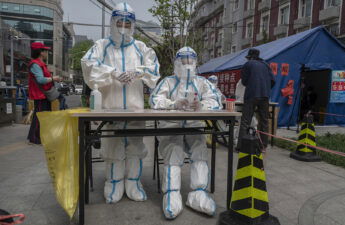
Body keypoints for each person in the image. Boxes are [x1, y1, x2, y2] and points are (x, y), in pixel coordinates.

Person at [81, 2, 160, 204]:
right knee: (113, 145)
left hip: (135, 108)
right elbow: (88, 65)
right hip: (110, 107)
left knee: (135, 145)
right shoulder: (101, 46)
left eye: (127, 22)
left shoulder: (140, 47)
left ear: (132, 24)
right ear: (112, 22)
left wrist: (138, 71)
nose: (123, 26)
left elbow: (154, 69)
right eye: (119, 21)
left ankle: (133, 182)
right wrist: (112, 72)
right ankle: (114, 183)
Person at [150, 47, 221, 219]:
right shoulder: (168, 82)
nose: (187, 65)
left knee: (199, 150)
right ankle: (172, 194)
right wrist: (173, 104)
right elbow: (154, 99)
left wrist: (201, 106)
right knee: (174, 151)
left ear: (196, 63)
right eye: (183, 62)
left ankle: (198, 193)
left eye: (191, 62)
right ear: (176, 63)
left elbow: (216, 99)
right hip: (170, 126)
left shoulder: (202, 82)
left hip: (193, 126)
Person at [237, 48, 275, 151]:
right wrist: (265, 89)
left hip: (251, 95)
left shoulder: (248, 64)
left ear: (250, 57)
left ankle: (241, 146)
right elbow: (273, 81)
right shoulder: (266, 65)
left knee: (245, 121)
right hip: (265, 96)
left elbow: (244, 82)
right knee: (264, 121)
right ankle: (263, 146)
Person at [27, 42, 62, 144]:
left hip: (44, 94)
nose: (47, 52)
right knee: (39, 117)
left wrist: (53, 79)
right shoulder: (35, 64)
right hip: (40, 94)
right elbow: (41, 80)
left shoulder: (40, 64)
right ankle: (34, 139)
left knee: (42, 116)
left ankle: (37, 137)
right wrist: (53, 78)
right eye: (45, 50)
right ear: (40, 52)